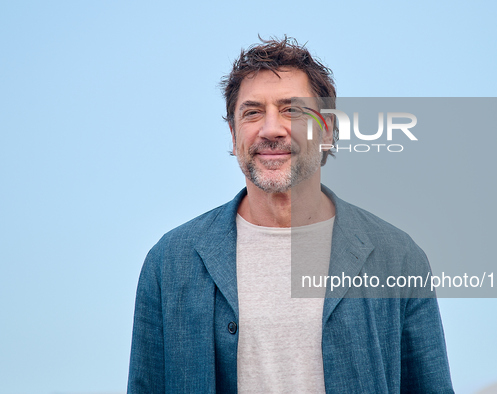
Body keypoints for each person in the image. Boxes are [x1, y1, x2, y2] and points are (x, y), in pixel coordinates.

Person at [128, 36, 454, 393]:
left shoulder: (397, 258)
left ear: (326, 130)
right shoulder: (170, 262)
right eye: (252, 112)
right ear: (234, 133)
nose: (270, 129)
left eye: (292, 110)